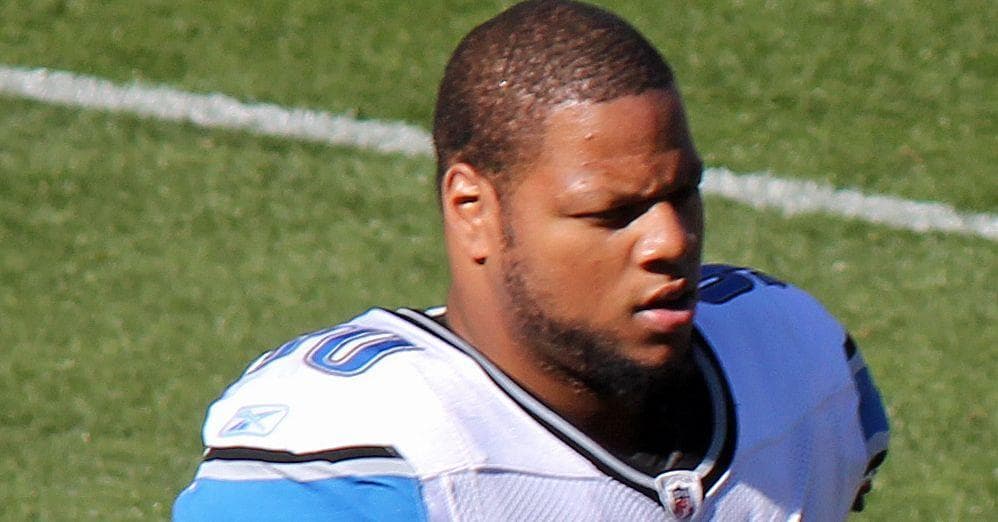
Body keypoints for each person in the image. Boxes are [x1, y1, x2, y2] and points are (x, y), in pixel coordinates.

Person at [174, 1, 888, 520]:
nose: (670, 241)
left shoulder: (792, 360)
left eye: (682, 195)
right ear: (473, 209)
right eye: (611, 213)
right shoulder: (359, 457)